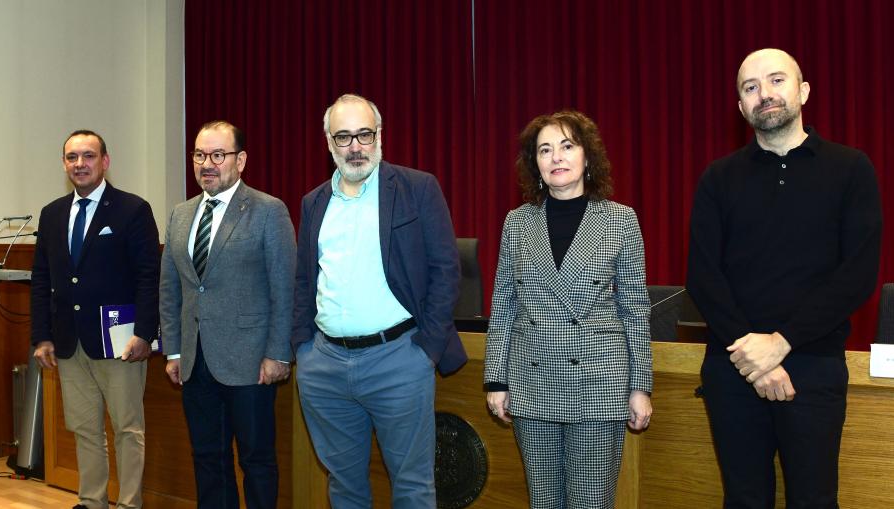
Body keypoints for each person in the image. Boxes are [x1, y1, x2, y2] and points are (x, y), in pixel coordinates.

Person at [686, 48, 882, 508]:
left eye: (776, 80)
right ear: (740, 106)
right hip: (733, 366)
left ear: (803, 91)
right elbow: (703, 276)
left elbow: (857, 275)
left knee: (815, 500)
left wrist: (781, 342)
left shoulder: (851, 169)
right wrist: (754, 356)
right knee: (744, 500)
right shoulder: (718, 178)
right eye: (751, 87)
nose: (765, 94)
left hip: (814, 365)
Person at [292, 93, 466, 508]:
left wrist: (425, 351)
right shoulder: (314, 202)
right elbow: (303, 280)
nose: (355, 147)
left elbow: (445, 269)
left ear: (380, 135)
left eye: (364, 134)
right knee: (344, 486)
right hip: (325, 367)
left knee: (412, 487)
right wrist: (303, 350)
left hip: (399, 361)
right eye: (343, 137)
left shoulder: (416, 188)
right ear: (329, 143)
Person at [484, 110, 653, 509]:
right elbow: (503, 304)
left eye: (567, 146)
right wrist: (495, 379)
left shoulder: (620, 220)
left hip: (599, 384)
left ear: (587, 156)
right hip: (531, 380)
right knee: (543, 501)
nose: (556, 157)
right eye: (545, 150)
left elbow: (635, 309)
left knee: (591, 502)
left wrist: (641, 386)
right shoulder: (517, 223)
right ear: (535, 163)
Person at [159, 120, 296, 509]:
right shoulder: (181, 214)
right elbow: (170, 288)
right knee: (207, 459)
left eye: (218, 155)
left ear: (241, 160)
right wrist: (174, 350)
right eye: (200, 155)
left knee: (257, 461)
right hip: (195, 362)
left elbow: (284, 288)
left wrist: (278, 353)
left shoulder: (268, 211)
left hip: (251, 363)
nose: (207, 164)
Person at [31, 130, 159, 509]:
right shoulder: (52, 214)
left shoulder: (132, 209)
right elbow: (42, 278)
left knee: (127, 429)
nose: (80, 164)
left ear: (105, 161)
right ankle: (92, 502)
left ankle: (130, 504)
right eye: (72, 157)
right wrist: (42, 335)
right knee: (84, 429)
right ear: (64, 164)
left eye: (88, 156)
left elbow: (148, 276)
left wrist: (144, 332)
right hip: (69, 343)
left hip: (121, 343)